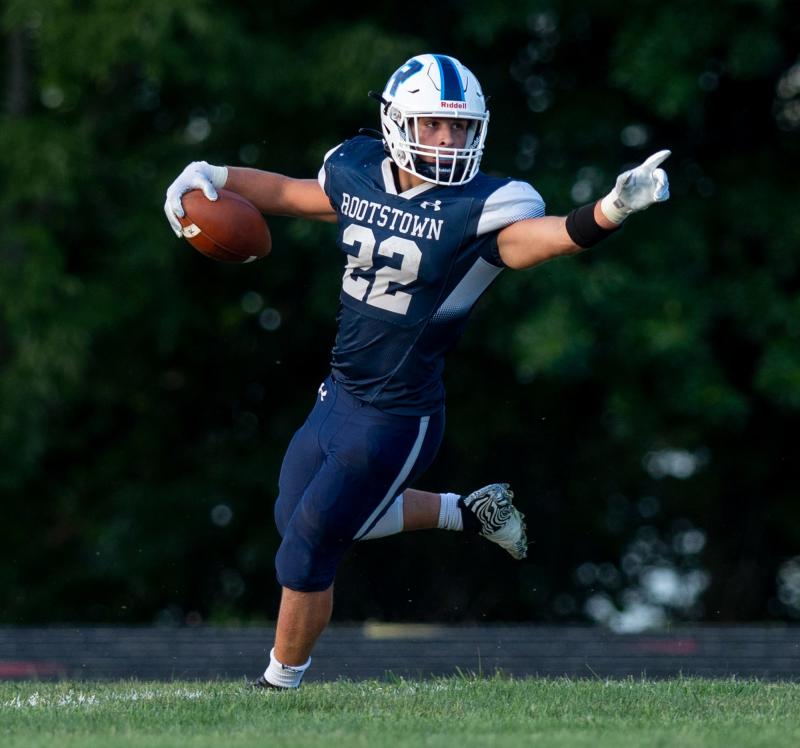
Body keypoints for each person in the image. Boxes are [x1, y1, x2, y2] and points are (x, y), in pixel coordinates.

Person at [163, 53, 670, 689]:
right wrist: (210, 173)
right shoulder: (357, 170)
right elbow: (293, 195)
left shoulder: (485, 207)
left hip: (399, 415)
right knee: (294, 518)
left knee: (308, 549)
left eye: (460, 127)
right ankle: (469, 511)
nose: (450, 139)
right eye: (434, 125)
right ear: (399, 122)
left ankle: (278, 686)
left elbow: (547, 239)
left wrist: (611, 210)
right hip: (339, 393)